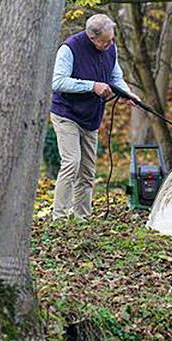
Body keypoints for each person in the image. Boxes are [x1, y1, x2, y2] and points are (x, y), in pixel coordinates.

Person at [50, 14, 137, 220]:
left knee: (88, 171)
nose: (110, 44)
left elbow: (116, 77)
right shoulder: (69, 49)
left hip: (91, 116)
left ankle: (82, 218)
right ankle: (59, 218)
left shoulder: (110, 48)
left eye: (112, 39)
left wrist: (127, 94)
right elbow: (58, 82)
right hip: (66, 113)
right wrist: (92, 86)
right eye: (106, 41)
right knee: (72, 162)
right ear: (92, 38)